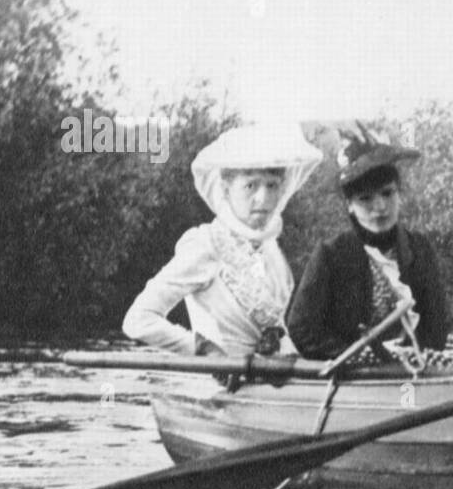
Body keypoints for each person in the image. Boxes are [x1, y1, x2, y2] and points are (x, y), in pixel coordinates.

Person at [123, 123, 322, 356]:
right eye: (251, 185)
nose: (263, 198)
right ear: (226, 189)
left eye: (272, 185)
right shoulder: (206, 244)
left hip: (271, 385)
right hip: (217, 385)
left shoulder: (270, 250)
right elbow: (138, 319)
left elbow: (276, 328)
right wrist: (203, 348)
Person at [286, 123, 449, 364]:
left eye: (387, 193)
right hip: (354, 379)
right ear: (349, 205)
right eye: (365, 199)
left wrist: (422, 354)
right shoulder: (331, 255)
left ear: (399, 194)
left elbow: (435, 325)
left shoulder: (419, 249)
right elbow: (301, 328)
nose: (380, 208)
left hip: (411, 371)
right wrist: (352, 354)